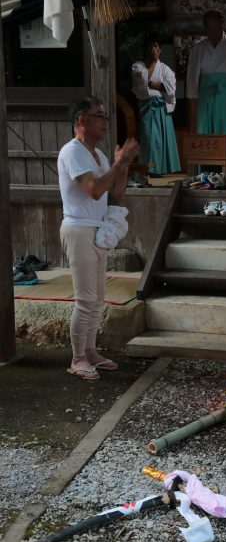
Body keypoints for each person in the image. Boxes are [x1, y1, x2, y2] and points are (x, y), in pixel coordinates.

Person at [58, 95, 139, 381]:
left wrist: (123, 163)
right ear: (82, 120)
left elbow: (116, 192)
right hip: (79, 228)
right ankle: (78, 357)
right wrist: (118, 164)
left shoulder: (98, 154)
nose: (105, 121)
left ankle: (90, 351)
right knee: (85, 298)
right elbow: (93, 189)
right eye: (100, 116)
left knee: (97, 297)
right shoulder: (73, 152)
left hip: (97, 227)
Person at [186, 9, 226, 134]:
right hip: (205, 99)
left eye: (217, 28)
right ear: (205, 29)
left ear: (222, 26)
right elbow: (192, 83)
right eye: (210, 29)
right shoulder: (197, 49)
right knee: (206, 136)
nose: (214, 33)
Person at [131, 37, 181, 175]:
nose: (153, 49)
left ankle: (162, 171)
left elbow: (170, 88)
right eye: (150, 46)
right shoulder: (138, 66)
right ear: (145, 49)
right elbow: (141, 81)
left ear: (160, 50)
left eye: (155, 46)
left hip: (161, 108)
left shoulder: (166, 69)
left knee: (162, 141)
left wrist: (151, 84)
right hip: (147, 108)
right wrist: (156, 83)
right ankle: (147, 170)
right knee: (148, 139)